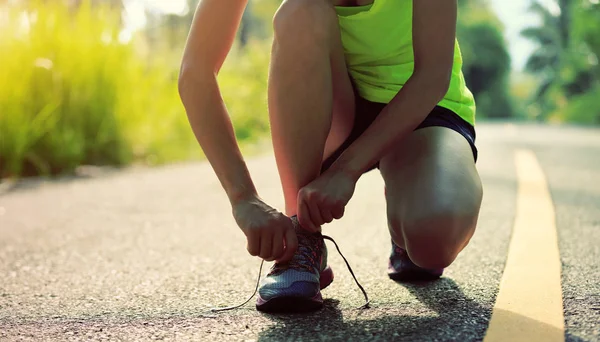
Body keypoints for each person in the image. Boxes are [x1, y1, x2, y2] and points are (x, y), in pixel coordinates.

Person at [178, 0, 483, 313]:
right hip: (334, 105)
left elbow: (432, 74)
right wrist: (243, 197)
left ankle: (406, 209)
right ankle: (302, 237)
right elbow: (195, 71)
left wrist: (346, 170)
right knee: (300, 13)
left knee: (433, 237)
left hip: (419, 111)